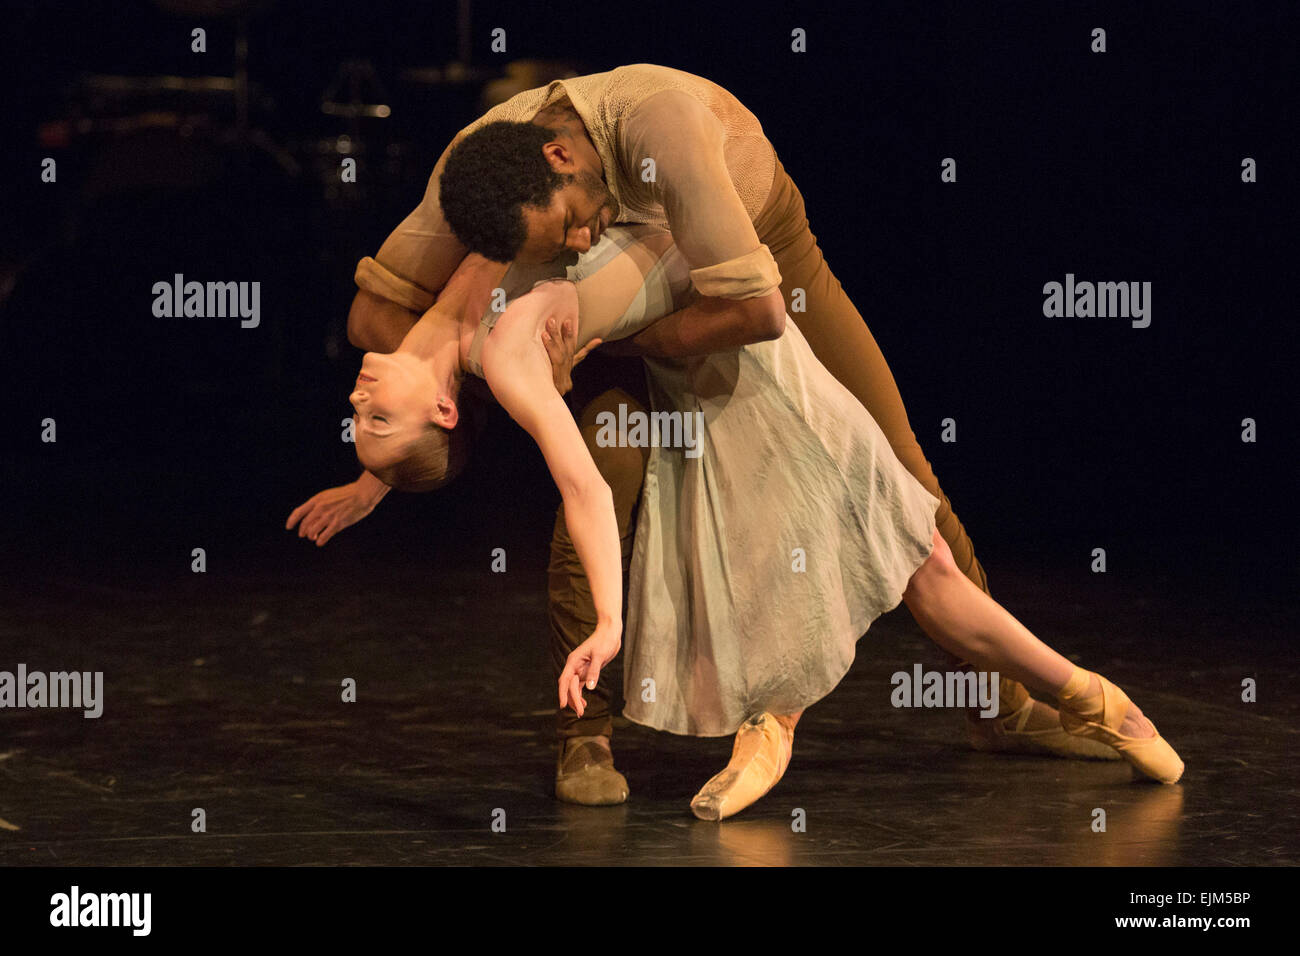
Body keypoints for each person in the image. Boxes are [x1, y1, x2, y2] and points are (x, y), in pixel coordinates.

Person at [296, 63, 1110, 807]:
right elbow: (378, 313)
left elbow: (754, 313)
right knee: (605, 475)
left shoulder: (660, 128)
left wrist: (608, 342)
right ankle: (584, 735)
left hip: (745, 273)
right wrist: (406, 447)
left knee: (903, 468)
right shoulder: (480, 170)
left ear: (560, 161)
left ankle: (999, 706)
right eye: (550, 247)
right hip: (607, 310)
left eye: (574, 224)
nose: (575, 242)